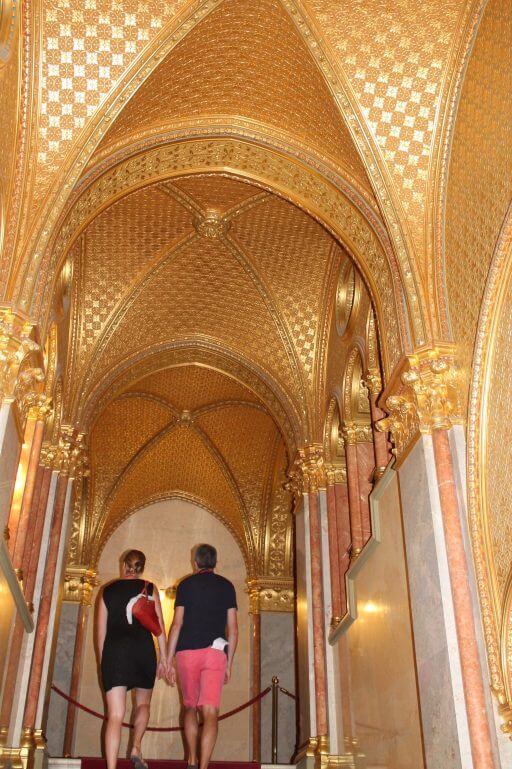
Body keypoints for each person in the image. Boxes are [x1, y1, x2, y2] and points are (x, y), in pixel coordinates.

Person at [166, 544, 238, 769]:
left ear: (195, 562)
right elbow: (233, 629)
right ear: (215, 563)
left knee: (189, 707)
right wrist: (229, 662)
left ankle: (192, 760)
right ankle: (204, 766)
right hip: (216, 653)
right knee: (211, 712)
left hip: (187, 652)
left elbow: (176, 624)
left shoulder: (186, 585)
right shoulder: (227, 586)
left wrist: (168, 659)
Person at [96, 549, 167, 769]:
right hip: (143, 651)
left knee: (115, 715)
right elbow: (160, 629)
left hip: (115, 652)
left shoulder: (107, 591)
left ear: (123, 565)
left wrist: (103, 664)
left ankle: (111, 766)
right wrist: (164, 658)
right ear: (141, 568)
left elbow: (101, 634)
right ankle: (136, 746)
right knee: (143, 703)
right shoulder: (151, 588)